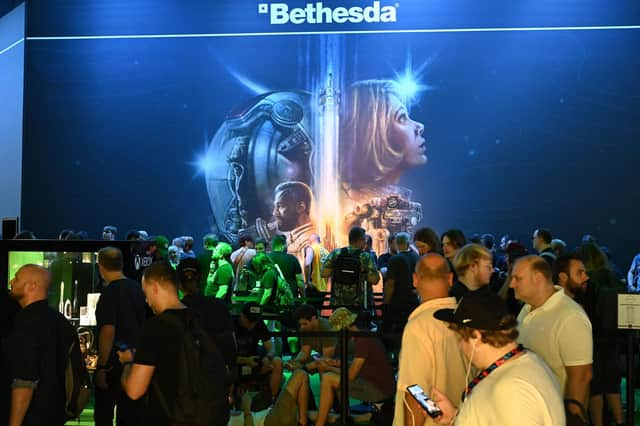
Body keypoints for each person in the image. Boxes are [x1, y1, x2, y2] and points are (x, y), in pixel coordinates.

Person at [411, 290, 565, 426]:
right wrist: (455, 418)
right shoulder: (526, 363)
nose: (460, 346)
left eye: (460, 338)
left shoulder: (511, 388)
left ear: (476, 337)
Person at [118, 261, 230, 426]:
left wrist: (127, 362)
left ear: (155, 287)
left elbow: (135, 390)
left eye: (146, 293)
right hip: (211, 416)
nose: (147, 301)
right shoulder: (202, 319)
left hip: (174, 419)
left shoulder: (156, 326)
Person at [510, 255, 592, 423]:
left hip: (552, 417)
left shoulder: (570, 317)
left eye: (517, 278)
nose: (511, 284)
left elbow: (581, 376)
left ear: (538, 278)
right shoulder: (527, 309)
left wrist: (571, 419)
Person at [393, 254, 467, 426]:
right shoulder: (468, 320)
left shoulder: (418, 327)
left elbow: (415, 393)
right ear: (450, 279)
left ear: (415, 280)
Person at [6, 265, 74, 426]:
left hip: (30, 416)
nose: (11, 281)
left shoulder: (26, 324)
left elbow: (24, 381)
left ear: (32, 286)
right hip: (54, 413)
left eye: (17, 278)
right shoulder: (60, 321)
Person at [314, 308, 396, 426]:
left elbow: (351, 376)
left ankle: (320, 423)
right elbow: (357, 366)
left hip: (378, 390)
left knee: (328, 378)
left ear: (344, 327)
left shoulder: (362, 340)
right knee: (332, 378)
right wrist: (334, 364)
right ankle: (345, 417)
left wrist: (329, 367)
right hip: (378, 385)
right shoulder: (362, 335)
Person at [94, 247, 146, 426]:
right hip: (136, 358)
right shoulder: (137, 288)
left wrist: (101, 366)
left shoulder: (109, 293)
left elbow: (108, 330)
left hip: (114, 362)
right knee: (130, 414)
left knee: (104, 413)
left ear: (100, 266)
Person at [234, 303, 283, 404]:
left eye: (255, 321)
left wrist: (268, 358)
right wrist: (245, 360)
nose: (252, 324)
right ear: (242, 316)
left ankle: (272, 402)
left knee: (277, 362)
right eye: (250, 320)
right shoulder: (231, 324)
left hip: (254, 360)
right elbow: (224, 355)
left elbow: (271, 348)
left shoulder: (259, 324)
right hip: (235, 362)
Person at [321, 226, 379, 310]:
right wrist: (362, 274)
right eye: (364, 240)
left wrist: (338, 270)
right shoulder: (365, 257)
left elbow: (323, 273)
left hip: (338, 303)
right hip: (359, 303)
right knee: (360, 323)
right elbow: (375, 280)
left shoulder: (336, 253)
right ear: (361, 240)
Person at [229, 369, 311, 426]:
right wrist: (246, 409)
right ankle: (302, 423)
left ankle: (303, 421)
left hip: (268, 413)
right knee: (300, 374)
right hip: (270, 422)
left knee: (280, 374)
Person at [382, 232, 419, 349]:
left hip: (397, 303)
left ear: (396, 244)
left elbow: (390, 284)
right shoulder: (417, 258)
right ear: (409, 243)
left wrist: (386, 302)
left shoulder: (395, 259)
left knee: (394, 334)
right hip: (414, 302)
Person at [288, 304, 337, 369]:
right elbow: (305, 352)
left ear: (313, 318)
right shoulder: (305, 329)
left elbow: (326, 358)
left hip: (341, 358)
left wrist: (304, 367)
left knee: (322, 367)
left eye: (305, 324)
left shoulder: (326, 328)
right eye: (300, 324)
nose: (302, 327)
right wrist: (295, 361)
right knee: (298, 369)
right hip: (324, 357)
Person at [268, 234, 304, 298]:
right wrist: (303, 299)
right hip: (290, 297)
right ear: (283, 245)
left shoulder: (266, 258)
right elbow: (300, 281)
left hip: (271, 298)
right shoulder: (292, 259)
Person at [304, 233, 329, 304]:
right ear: (319, 241)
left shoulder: (311, 248)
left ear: (310, 241)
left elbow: (307, 264)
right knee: (318, 312)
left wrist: (308, 281)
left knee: (310, 312)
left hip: (313, 287)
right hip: (323, 288)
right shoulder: (326, 252)